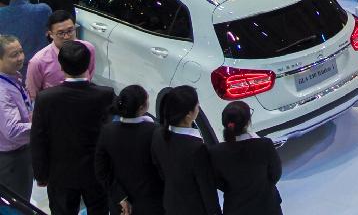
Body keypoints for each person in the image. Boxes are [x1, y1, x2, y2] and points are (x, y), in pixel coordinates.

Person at [31, 40, 115, 215]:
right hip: (96, 172)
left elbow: (39, 138)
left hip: (60, 174)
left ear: (61, 67)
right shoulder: (105, 94)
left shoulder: (46, 98)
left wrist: (40, 174)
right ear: (89, 63)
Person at [151, 85, 222, 215]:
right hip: (194, 208)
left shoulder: (158, 135)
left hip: (171, 203)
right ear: (189, 114)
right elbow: (207, 191)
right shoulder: (197, 148)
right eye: (197, 105)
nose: (198, 107)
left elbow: (158, 169)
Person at [95, 85, 164, 215]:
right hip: (151, 203)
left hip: (120, 204)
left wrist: (120, 196)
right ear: (141, 107)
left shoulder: (108, 131)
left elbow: (101, 169)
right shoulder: (154, 132)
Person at [209, 101, 282, 215]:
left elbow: (219, 182)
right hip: (268, 206)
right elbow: (275, 174)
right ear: (248, 122)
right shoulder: (264, 145)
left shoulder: (215, 152)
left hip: (235, 209)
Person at [25, 10, 94, 99]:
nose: (67, 37)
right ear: (50, 34)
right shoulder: (38, 61)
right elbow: (33, 95)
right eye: (61, 33)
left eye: (70, 31)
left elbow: (89, 75)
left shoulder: (88, 48)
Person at [0, 35, 32, 201]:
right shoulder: (2, 91)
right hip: (11, 159)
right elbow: (12, 131)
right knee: (17, 205)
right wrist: (41, 125)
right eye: (14, 55)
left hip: (20, 152)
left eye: (21, 51)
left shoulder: (13, 76)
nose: (20, 57)